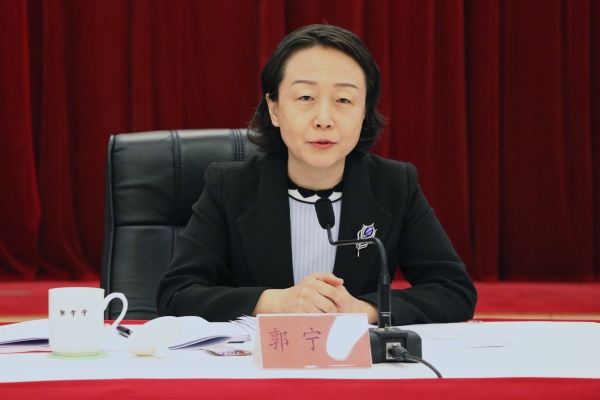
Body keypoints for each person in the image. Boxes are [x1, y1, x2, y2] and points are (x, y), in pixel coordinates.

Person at [157, 24, 477, 325]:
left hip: (353, 362)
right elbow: (176, 295)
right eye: (306, 98)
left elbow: (454, 290)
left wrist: (364, 309)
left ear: (364, 112)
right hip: (260, 361)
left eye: (343, 100)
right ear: (274, 109)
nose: (324, 118)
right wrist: (279, 302)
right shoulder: (230, 188)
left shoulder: (394, 186)